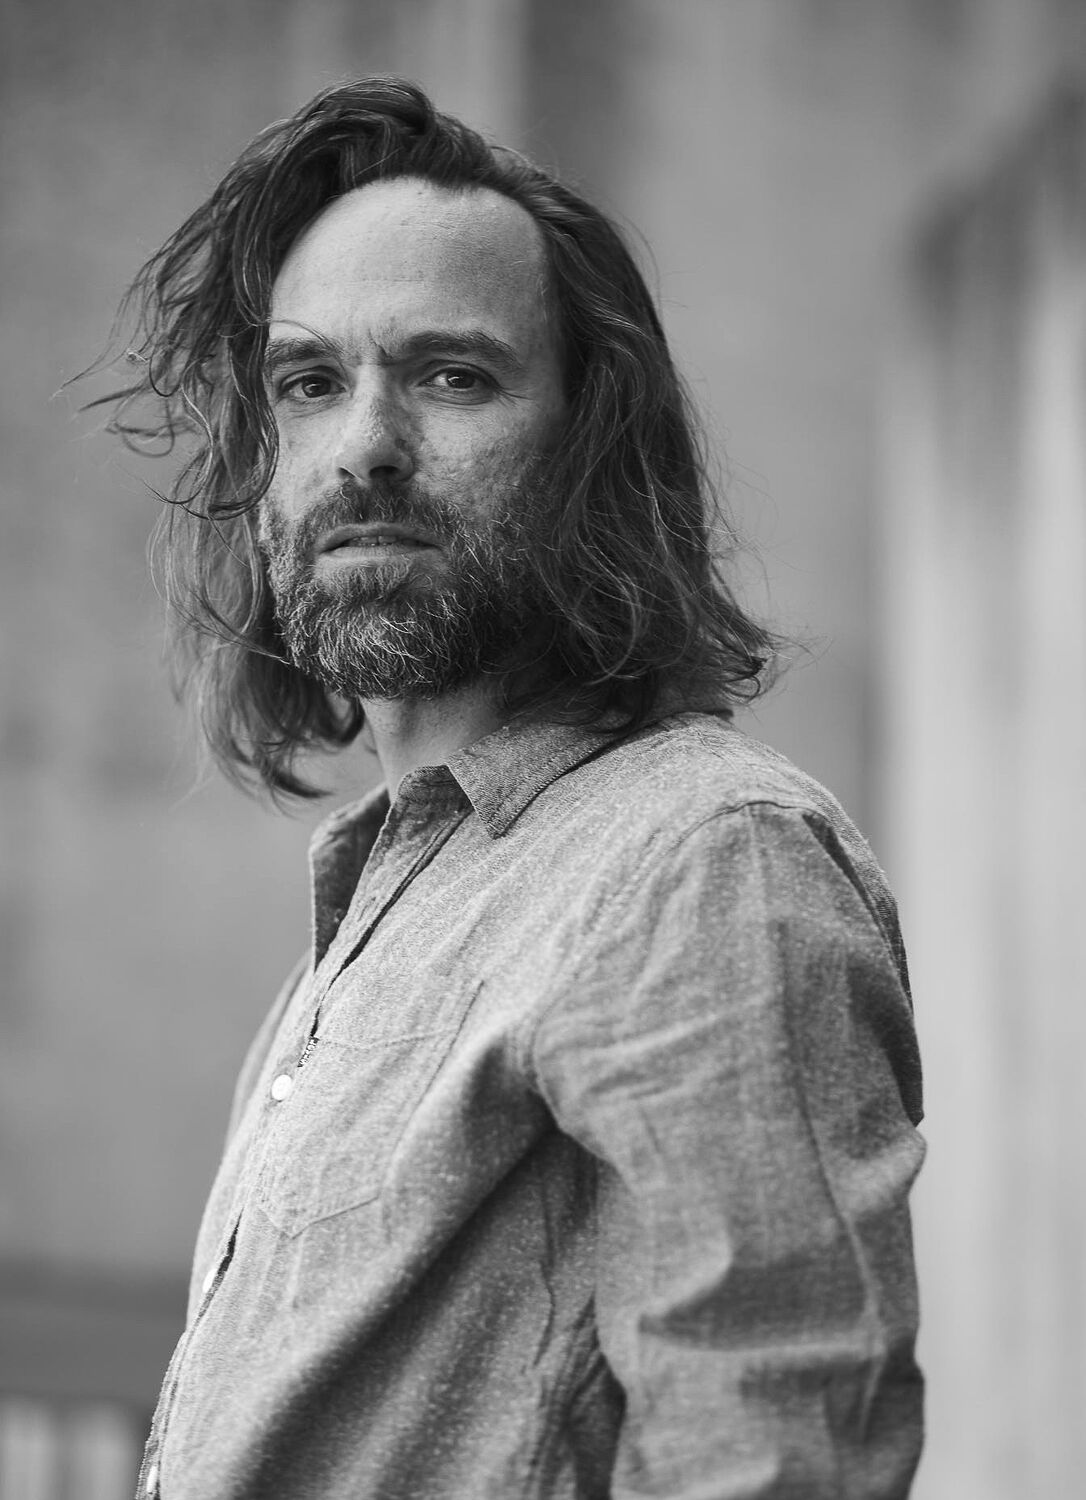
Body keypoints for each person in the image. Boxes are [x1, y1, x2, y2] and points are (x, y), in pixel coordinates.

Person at [103, 78, 925, 1500]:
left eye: (450, 376)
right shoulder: (353, 938)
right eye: (310, 383)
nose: (363, 444)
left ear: (592, 452)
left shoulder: (703, 859)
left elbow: (771, 1458)